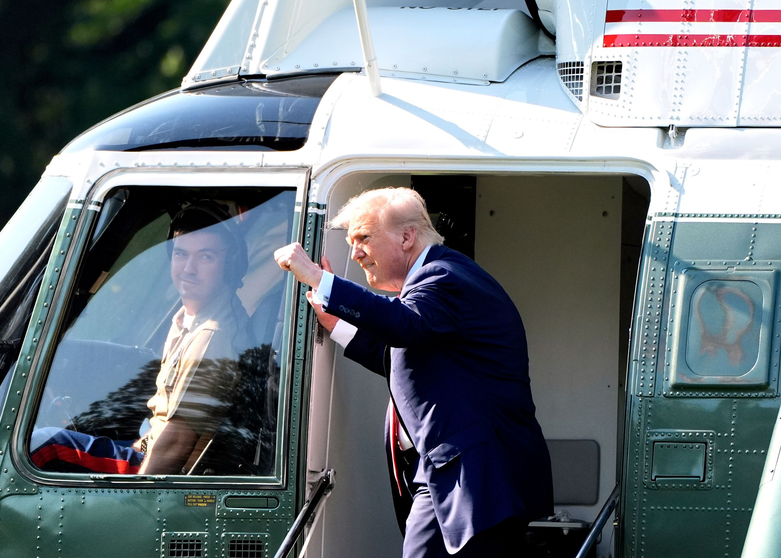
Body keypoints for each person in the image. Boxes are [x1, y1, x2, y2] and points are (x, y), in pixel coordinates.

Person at [274, 187, 553, 557]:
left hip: (476, 478)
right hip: (457, 476)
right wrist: (333, 321)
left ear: (407, 237)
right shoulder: (437, 283)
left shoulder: (444, 277)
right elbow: (396, 353)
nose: (355, 253)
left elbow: (402, 325)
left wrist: (316, 277)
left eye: (364, 239)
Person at [31, 202, 251, 475]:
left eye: (205, 257)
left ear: (229, 266)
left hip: (155, 470)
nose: (188, 269)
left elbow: (177, 441)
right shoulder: (191, 316)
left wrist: (136, 499)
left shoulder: (212, 335)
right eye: (181, 254)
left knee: (43, 444)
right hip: (147, 447)